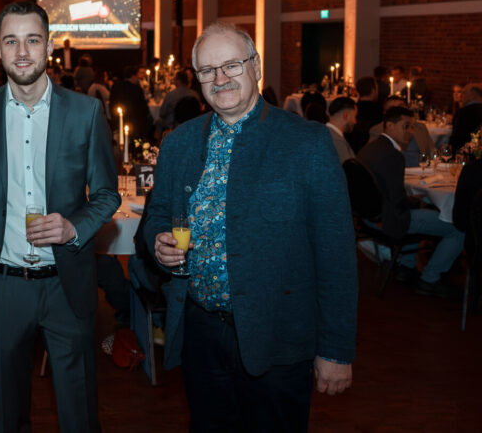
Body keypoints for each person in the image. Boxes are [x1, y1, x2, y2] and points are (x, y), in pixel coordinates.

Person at [143, 21, 356, 432]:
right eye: (208, 70)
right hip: (201, 332)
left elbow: (337, 256)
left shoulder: (306, 143)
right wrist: (157, 241)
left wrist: (336, 349)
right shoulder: (179, 143)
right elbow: (157, 214)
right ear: (198, 79)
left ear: (256, 66)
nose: (220, 78)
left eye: (232, 65)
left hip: (278, 334)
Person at [0, 1, 119, 433]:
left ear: (48, 46)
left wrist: (74, 228)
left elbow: (107, 194)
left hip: (67, 285)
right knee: (9, 415)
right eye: (12, 41)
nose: (22, 51)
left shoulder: (84, 112)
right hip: (3, 288)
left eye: (32, 40)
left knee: (79, 413)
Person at [358, 106, 465, 299]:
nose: (410, 132)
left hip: (366, 217)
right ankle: (430, 279)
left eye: (412, 127)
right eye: (406, 126)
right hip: (388, 220)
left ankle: (405, 267)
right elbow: (397, 201)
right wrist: (418, 203)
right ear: (389, 125)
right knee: (457, 227)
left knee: (423, 203)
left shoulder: (370, 147)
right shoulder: (393, 155)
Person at [109, 64, 155, 142]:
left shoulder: (115, 86)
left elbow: (111, 103)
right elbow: (143, 109)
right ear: (133, 76)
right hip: (135, 123)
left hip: (118, 120)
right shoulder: (136, 89)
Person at [450, 83, 482, 153]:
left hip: (465, 152)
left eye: (464, 93)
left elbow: (456, 138)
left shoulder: (464, 112)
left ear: (473, 95)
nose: (461, 96)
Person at [326, 96, 358, 163]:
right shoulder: (336, 140)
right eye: (354, 117)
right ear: (345, 115)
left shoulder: (324, 132)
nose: (355, 122)